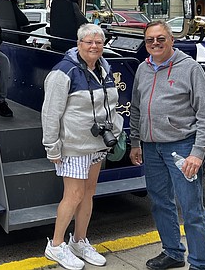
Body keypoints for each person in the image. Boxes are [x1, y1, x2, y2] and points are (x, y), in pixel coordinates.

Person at [129, 20, 205, 270]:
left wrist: (197, 153)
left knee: (191, 208)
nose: (155, 43)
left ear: (171, 40)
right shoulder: (142, 70)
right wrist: (136, 141)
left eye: (160, 38)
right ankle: (173, 253)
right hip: (151, 148)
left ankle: (199, 264)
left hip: (182, 148)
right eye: (149, 40)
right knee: (159, 202)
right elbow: (136, 109)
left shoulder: (190, 69)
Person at [42, 24, 122, 269]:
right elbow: (50, 113)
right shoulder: (63, 72)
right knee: (74, 195)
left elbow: (112, 104)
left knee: (88, 193)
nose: (94, 46)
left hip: (97, 145)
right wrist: (52, 147)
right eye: (88, 42)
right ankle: (55, 246)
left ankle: (79, 241)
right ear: (78, 44)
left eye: (98, 42)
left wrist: (115, 127)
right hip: (73, 145)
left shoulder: (104, 68)